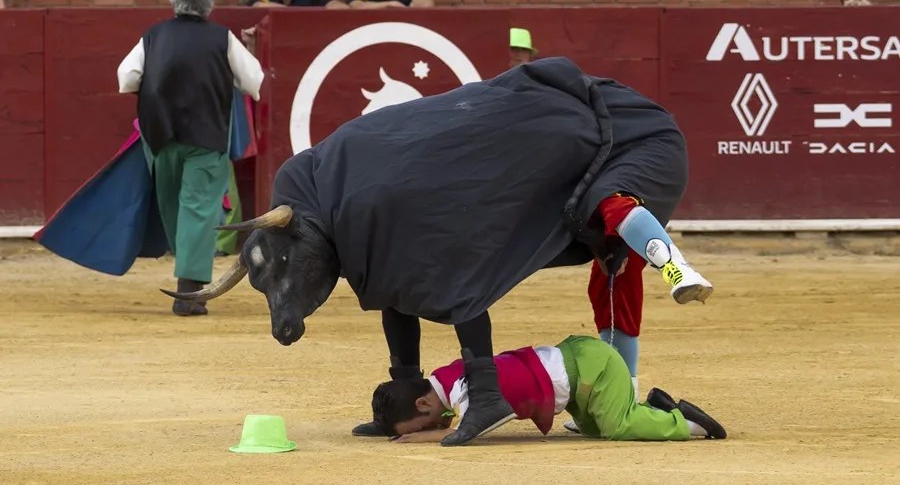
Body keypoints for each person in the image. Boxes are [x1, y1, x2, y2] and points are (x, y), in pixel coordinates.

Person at [163, 57, 714, 446]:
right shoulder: (346, 209)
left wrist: (485, 391)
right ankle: (628, 392)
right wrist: (405, 390)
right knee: (612, 277)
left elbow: (454, 263)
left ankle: (676, 269)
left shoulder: (355, 199)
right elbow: (390, 293)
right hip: (582, 358)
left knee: (598, 215)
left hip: (623, 137)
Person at [117, 0, 264, 316]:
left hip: (161, 136)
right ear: (209, 2)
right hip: (206, 136)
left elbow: (126, 78)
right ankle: (189, 290)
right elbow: (253, 80)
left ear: (174, 0)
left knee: (173, 205)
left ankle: (188, 276)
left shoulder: (154, 35)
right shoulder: (221, 38)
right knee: (198, 208)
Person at [370, 335, 726, 442]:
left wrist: (420, 438)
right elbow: (449, 414)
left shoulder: (463, 390)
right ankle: (657, 407)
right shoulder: (443, 378)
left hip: (591, 370)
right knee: (594, 428)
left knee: (618, 427)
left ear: (422, 401)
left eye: (422, 423)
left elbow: (467, 429)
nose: (431, 427)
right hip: (579, 372)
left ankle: (691, 424)